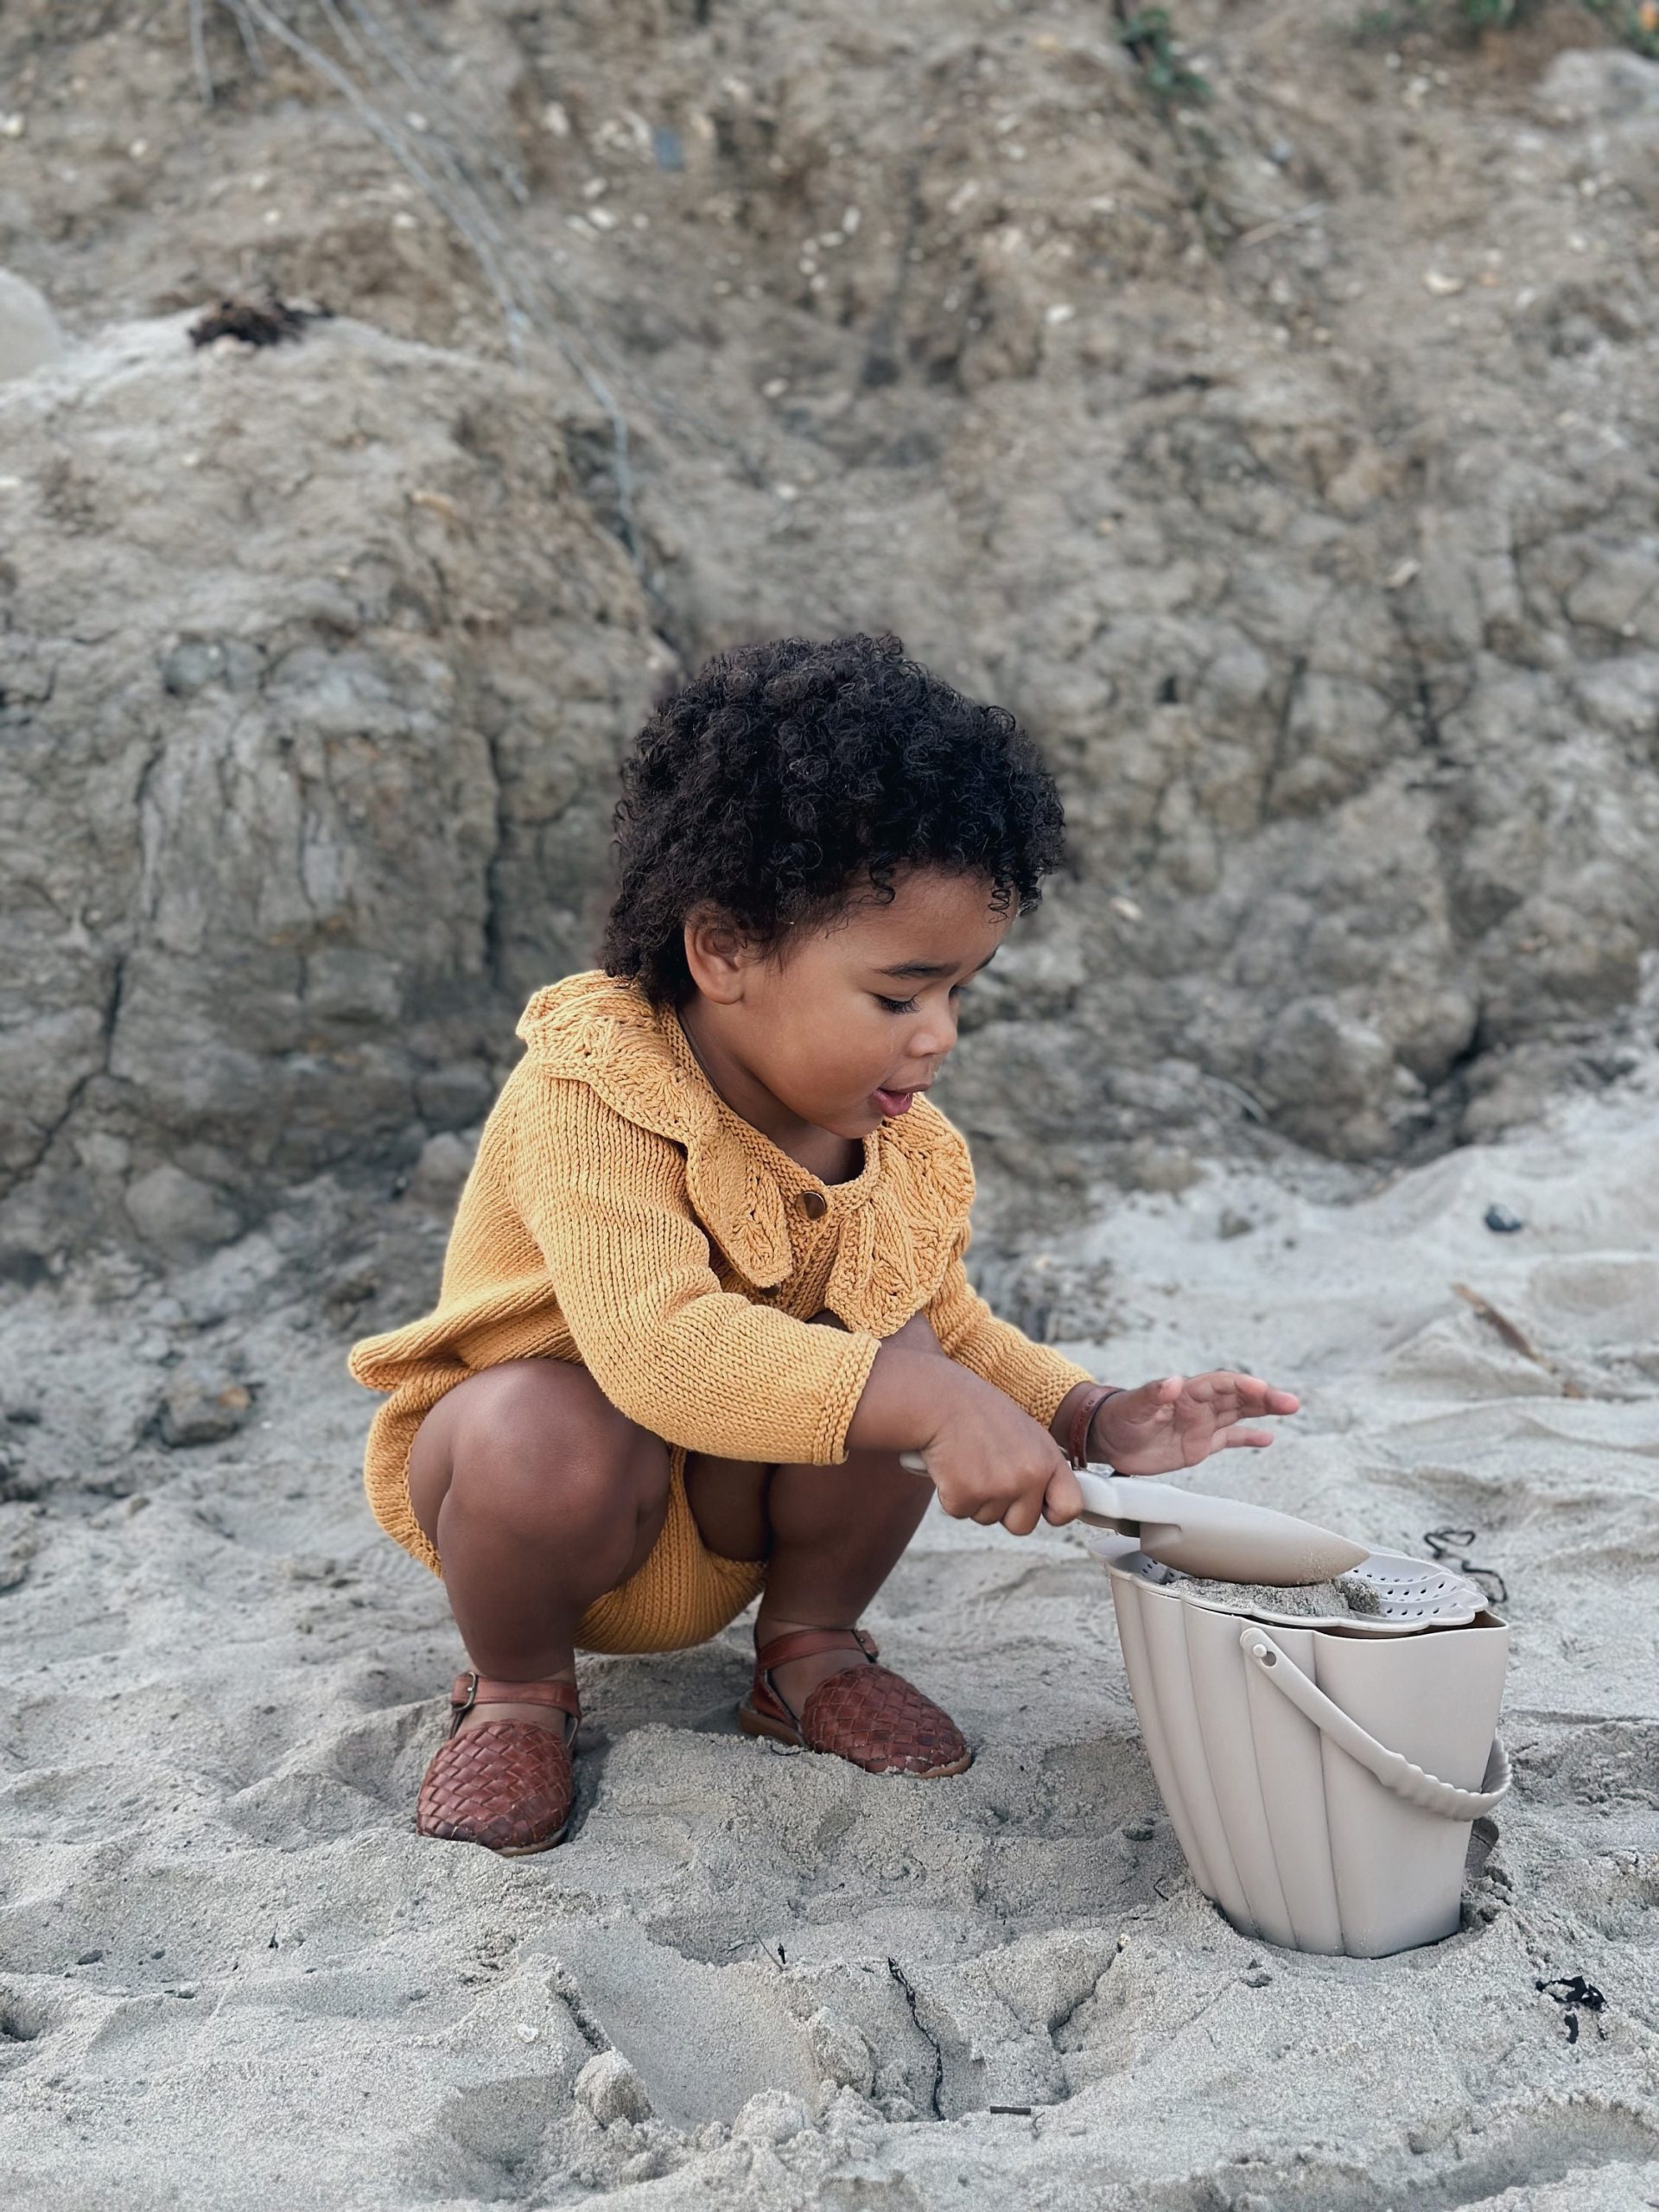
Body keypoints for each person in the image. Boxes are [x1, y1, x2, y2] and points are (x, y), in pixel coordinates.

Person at [347, 632, 1300, 1855]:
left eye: (960, 992)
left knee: (905, 1345)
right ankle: (519, 1693)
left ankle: (808, 1649)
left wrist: (1091, 1417)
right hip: (560, 1517)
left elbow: (953, 1331)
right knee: (549, 1419)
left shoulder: (897, 1146)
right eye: (899, 994)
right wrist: (927, 1403)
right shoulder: (595, 1093)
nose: (938, 1034)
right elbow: (659, 1352)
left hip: (740, 1512)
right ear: (725, 951)